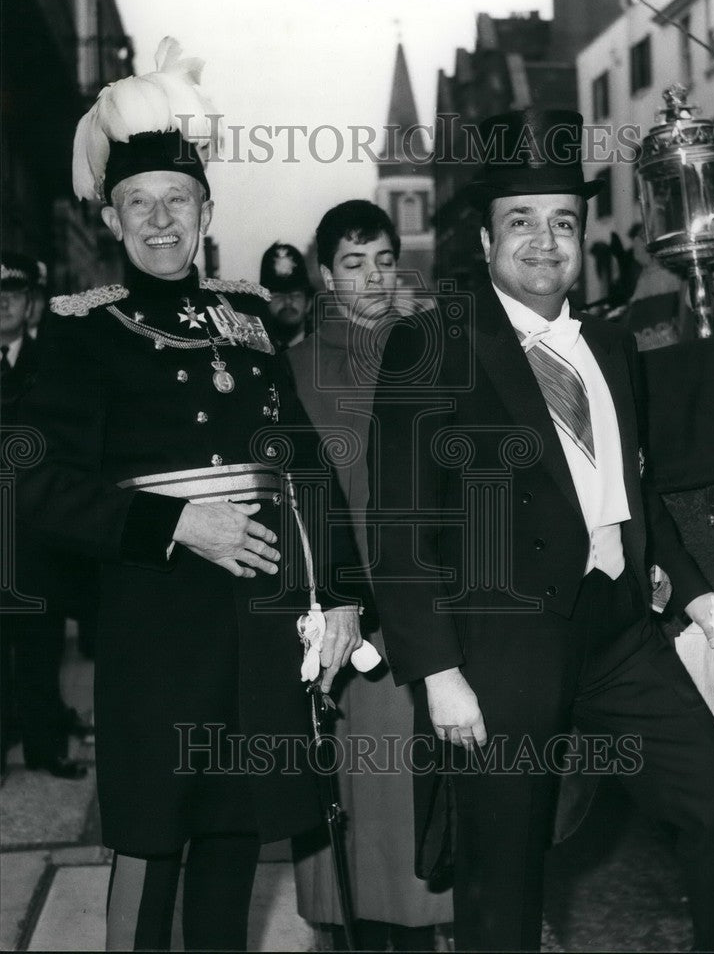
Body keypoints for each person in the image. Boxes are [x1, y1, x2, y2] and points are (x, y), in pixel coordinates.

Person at [370, 108, 714, 952]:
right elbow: (401, 527)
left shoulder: (611, 346)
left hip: (618, 634)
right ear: (483, 241)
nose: (545, 242)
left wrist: (694, 597)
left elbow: (636, 488)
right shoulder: (432, 344)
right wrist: (437, 670)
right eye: (521, 222)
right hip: (500, 645)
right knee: (503, 871)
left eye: (563, 223)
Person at [16, 38, 362, 952]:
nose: (160, 220)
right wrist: (176, 524)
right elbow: (34, 484)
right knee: (150, 843)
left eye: (177, 200)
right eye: (140, 204)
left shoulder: (248, 326)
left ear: (207, 210)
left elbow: (307, 464)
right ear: (113, 221)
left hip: (256, 629)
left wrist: (347, 595)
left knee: (235, 841)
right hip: (153, 631)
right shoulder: (79, 335)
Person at [288, 201, 452, 951]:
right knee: (351, 807)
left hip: (427, 605)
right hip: (344, 614)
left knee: (423, 801)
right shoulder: (293, 367)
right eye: (354, 264)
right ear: (326, 276)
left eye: (385, 261)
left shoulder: (431, 351)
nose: (374, 279)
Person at [0, 252, 89, 780]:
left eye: (13, 294)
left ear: (31, 302)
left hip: (35, 536)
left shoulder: (52, 365)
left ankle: (44, 746)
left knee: (39, 645)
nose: (3, 304)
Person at [260, 241, 314, 349]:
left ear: (308, 303)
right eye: (278, 295)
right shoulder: (253, 355)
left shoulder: (328, 353)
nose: (288, 301)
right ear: (264, 303)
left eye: (295, 294)